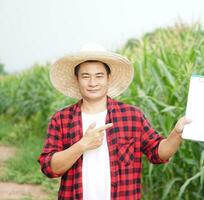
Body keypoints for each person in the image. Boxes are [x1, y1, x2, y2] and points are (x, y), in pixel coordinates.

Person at [38, 44, 191, 200]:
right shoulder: (62, 119)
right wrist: (82, 145)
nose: (92, 83)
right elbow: (50, 168)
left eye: (99, 76)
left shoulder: (132, 116)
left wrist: (176, 134)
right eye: (85, 76)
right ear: (77, 79)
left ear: (108, 78)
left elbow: (158, 153)